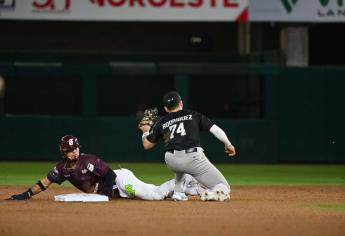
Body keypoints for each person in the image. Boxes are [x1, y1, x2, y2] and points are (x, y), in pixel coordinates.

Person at [7, 135, 202, 201]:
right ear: (63, 152)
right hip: (116, 190)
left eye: (75, 148)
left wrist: (107, 195)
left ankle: (183, 181)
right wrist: (26, 194)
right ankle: (189, 188)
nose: (74, 152)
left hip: (121, 181)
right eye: (70, 150)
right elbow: (45, 182)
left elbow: (109, 175)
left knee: (155, 195)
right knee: (152, 192)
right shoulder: (62, 169)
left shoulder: (88, 160)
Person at [139, 91, 236, 201]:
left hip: (171, 160)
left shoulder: (162, 122)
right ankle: (212, 194)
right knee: (223, 186)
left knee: (182, 168)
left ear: (166, 108)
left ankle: (178, 191)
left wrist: (145, 131)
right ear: (181, 103)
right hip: (192, 159)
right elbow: (216, 130)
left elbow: (147, 145)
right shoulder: (193, 115)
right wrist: (229, 144)